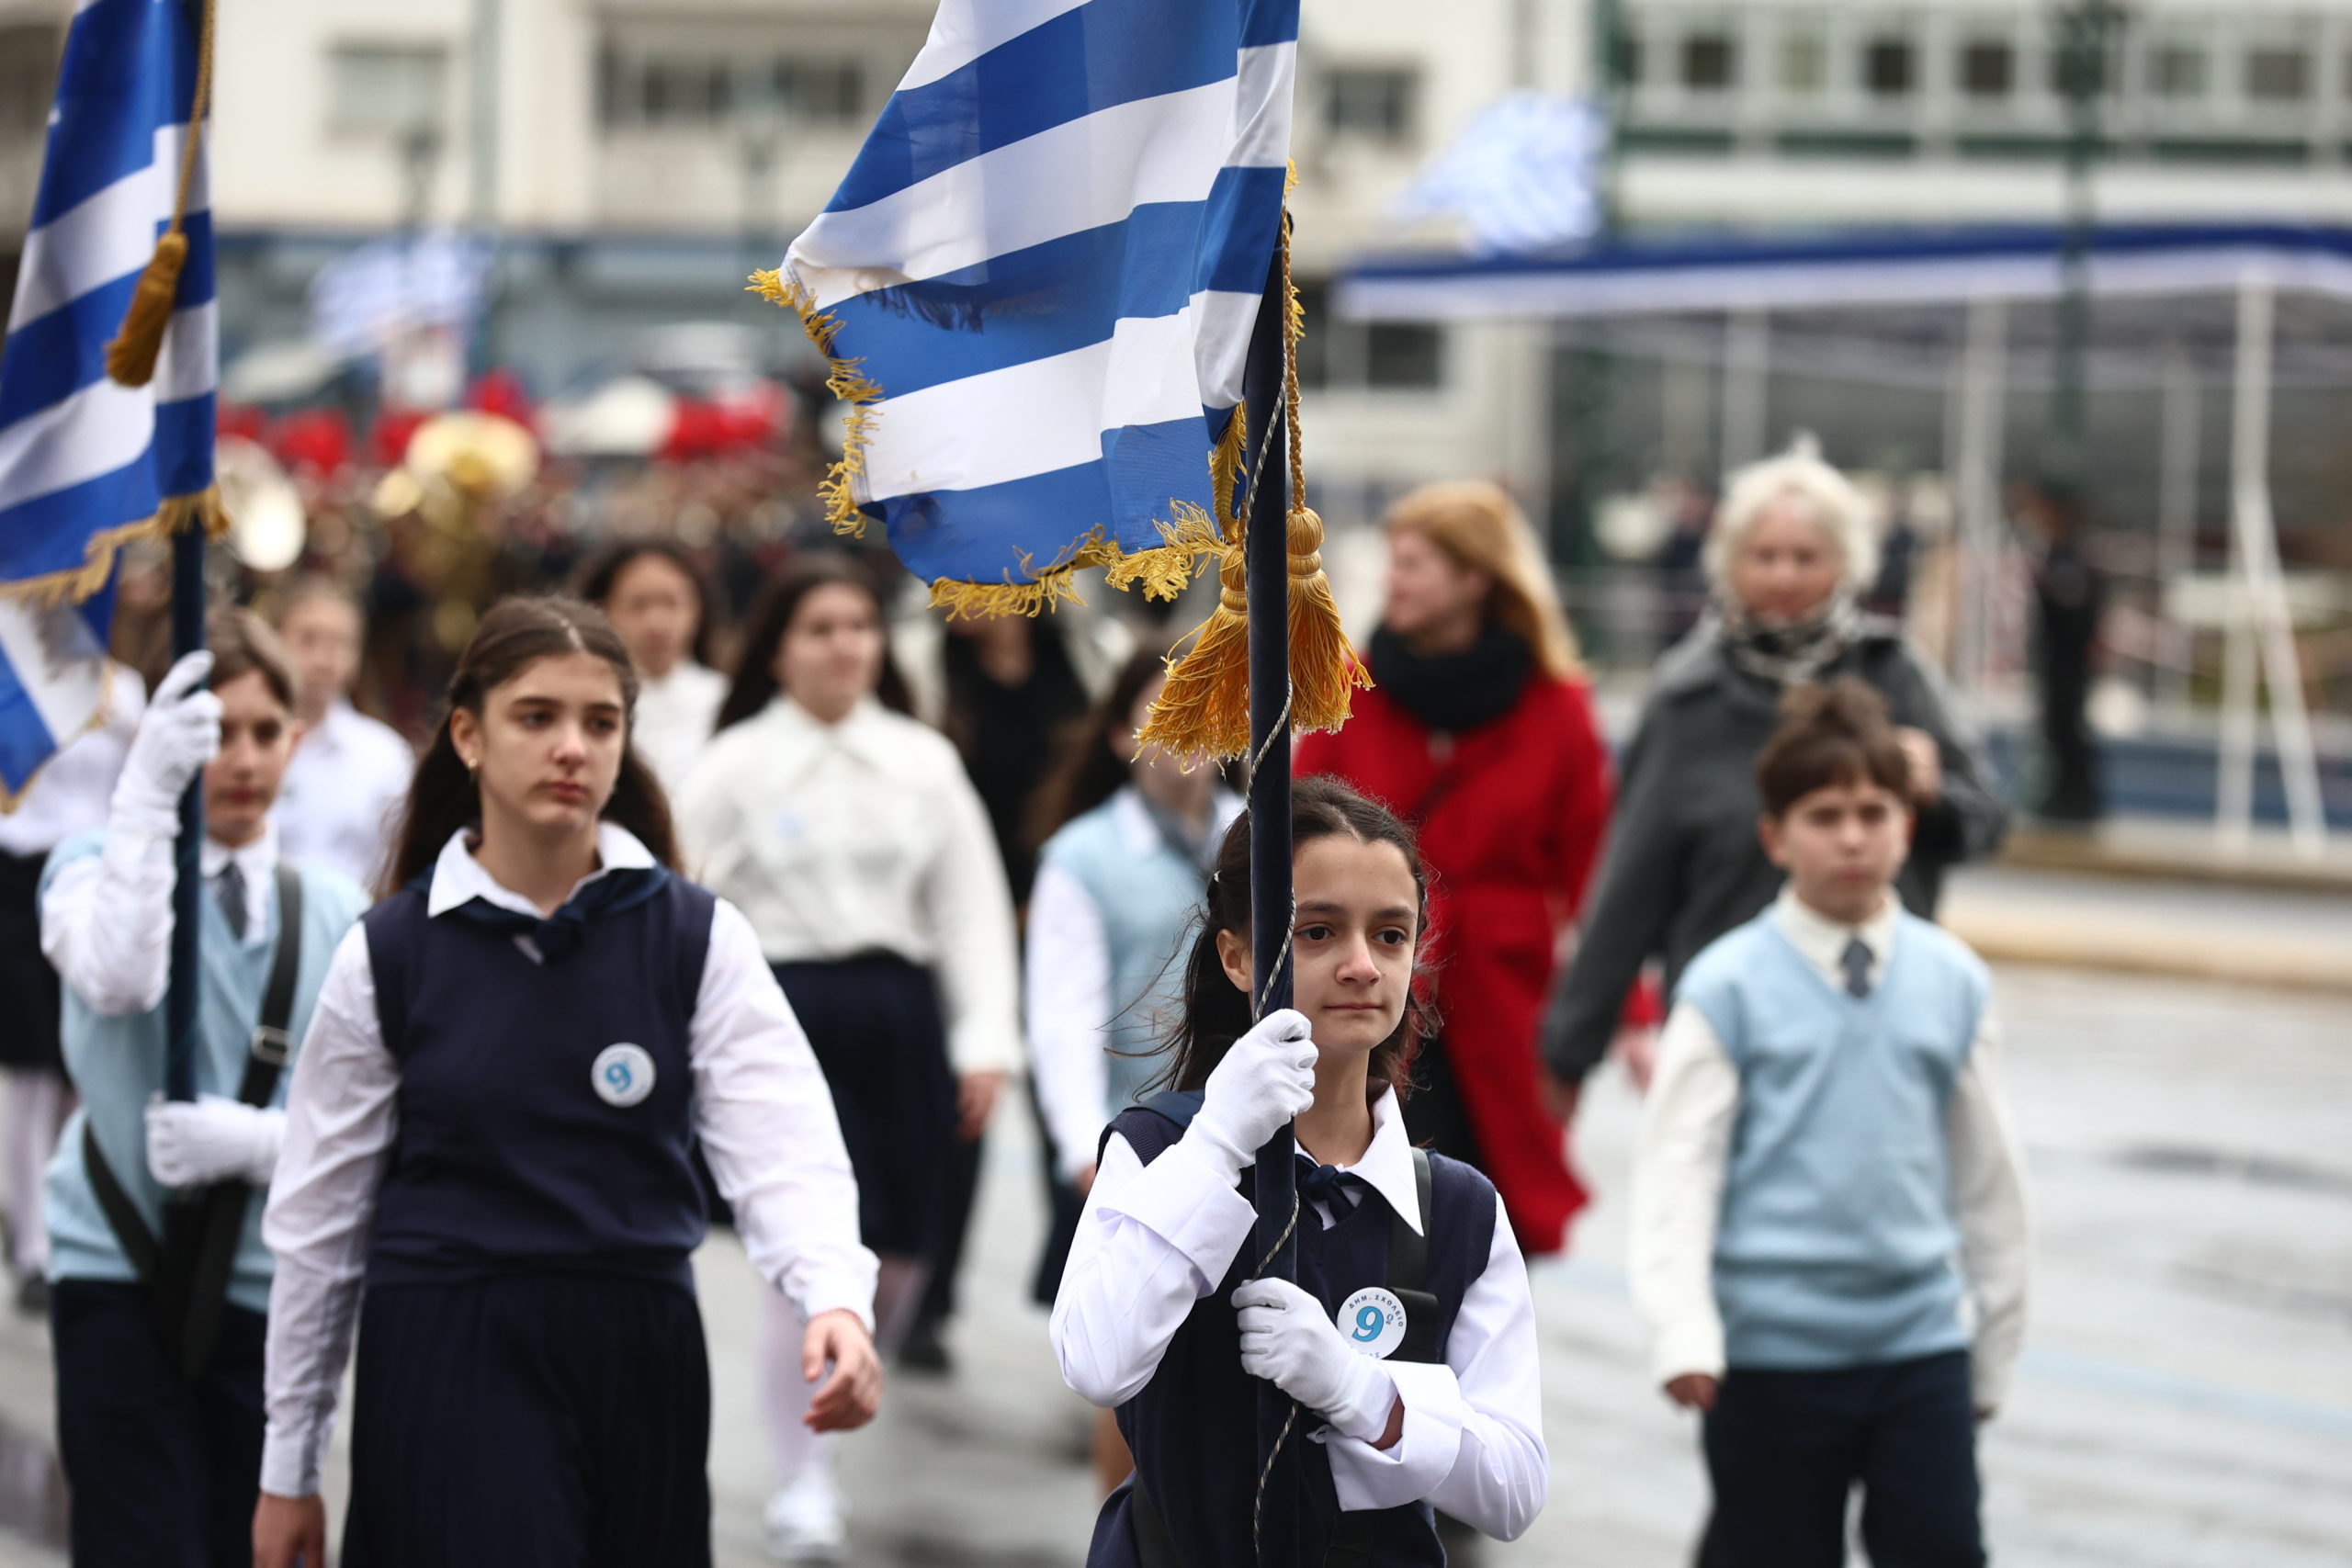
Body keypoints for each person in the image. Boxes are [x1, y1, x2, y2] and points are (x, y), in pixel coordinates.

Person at [250, 595, 881, 1568]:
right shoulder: (390, 953)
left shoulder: (692, 935)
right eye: (536, 717)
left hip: (638, 1351)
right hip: (450, 1345)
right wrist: (288, 1468)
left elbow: (783, 1143)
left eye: (600, 722)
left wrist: (833, 1297)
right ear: (467, 734)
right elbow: (319, 1226)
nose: (572, 749)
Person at [1053, 776, 1548, 1565]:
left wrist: (1363, 1393)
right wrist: (1216, 1142)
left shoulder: (1457, 1207)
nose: (1361, 964)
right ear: (1240, 957)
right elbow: (1096, 1360)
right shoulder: (1157, 1146)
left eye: (1390, 935)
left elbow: (1514, 1487)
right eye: (1317, 932)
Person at [1628, 680, 2030, 1568]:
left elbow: (1990, 1178)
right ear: (1774, 835)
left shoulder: (1954, 979)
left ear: (1907, 826)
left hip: (1919, 1350)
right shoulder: (1726, 986)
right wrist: (1684, 1329)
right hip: (1769, 1361)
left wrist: (1991, 1348)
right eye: (1823, 814)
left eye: (1872, 811)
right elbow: (1676, 1174)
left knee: (1941, 1549)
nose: (1851, 836)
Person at [674, 554, 1019, 1561]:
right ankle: (802, 1478)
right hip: (786, 1014)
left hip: (899, 1014)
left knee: (903, 1245)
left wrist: (985, 1039)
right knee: (809, 1248)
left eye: (858, 628)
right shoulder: (733, 763)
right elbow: (681, 899)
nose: (843, 647)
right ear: (778, 647)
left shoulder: (921, 759)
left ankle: (846, 1376)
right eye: (819, 629)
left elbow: (970, 911)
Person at [40, 613, 368, 1568]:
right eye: (214, 733)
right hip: (115, 1258)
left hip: (266, 1278)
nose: (242, 759)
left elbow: (369, 1123)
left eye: (265, 732)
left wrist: (260, 1142)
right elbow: (122, 976)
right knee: (139, 1538)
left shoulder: (342, 916)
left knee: (242, 1539)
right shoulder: (89, 869)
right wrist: (143, 799)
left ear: (295, 740)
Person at [1543, 438, 2007, 1111]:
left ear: (1847, 565)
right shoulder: (1688, 698)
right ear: (1729, 564)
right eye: (1765, 556)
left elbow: (1986, 820)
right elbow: (1629, 885)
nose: (1784, 576)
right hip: (1729, 1028)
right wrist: (1572, 1044)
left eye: (1806, 557)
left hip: (1874, 1013)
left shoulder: (1893, 673)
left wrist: (1932, 793)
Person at [1296, 479, 1612, 1259]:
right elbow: (1297, 829)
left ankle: (1477, 1370)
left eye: (1412, 564)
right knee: (1366, 1194)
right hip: (1370, 978)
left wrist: (1623, 1012)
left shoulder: (1557, 707)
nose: (1390, 579)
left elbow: (1594, 871)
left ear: (1475, 580)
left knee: (1489, 1208)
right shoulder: (1350, 685)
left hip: (1503, 1001)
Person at [1026, 649, 1241, 1495]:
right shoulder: (1082, 856)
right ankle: (1125, 1532)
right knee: (1136, 1362)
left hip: (1247, 1125)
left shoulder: (1260, 838)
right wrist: (1083, 1140)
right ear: (1123, 734)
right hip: (1141, 1135)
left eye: (1206, 709)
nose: (1186, 730)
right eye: (1164, 710)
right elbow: (1060, 1009)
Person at [901, 606, 1096, 1371]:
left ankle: (1086, 1298)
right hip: (961, 921)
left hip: (1063, 911)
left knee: (1071, 1115)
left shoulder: (1080, 655)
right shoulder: (925, 664)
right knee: (964, 1108)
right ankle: (930, 1295)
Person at [0, 660, 142, 1314]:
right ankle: (31, 1240)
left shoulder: (123, 686)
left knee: (73, 1064)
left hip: (90, 874)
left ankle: (64, 1224)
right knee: (26, 1071)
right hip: (18, 877)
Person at [273, 578, 415, 890]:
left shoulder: (385, 756)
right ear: (275, 642)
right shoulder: (247, 746)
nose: (323, 660)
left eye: (340, 643)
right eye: (308, 640)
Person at [577, 538, 729, 795]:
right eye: (639, 605)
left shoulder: (726, 701)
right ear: (602, 610)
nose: (656, 623)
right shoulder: (585, 701)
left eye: (671, 603)